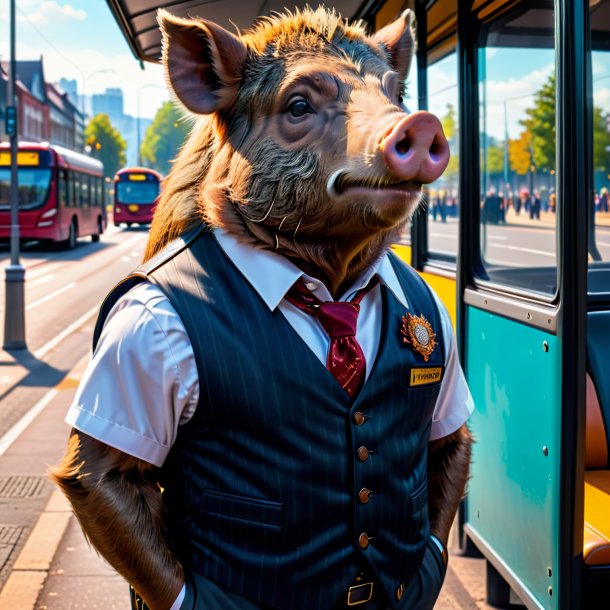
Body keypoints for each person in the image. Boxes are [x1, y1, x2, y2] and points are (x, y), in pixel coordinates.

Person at [51, 8, 473, 610]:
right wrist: (185, 604)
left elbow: (450, 441)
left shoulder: (420, 305)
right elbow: (98, 476)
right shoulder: (165, 314)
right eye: (300, 107)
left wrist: (428, 563)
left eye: (388, 94)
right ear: (212, 92)